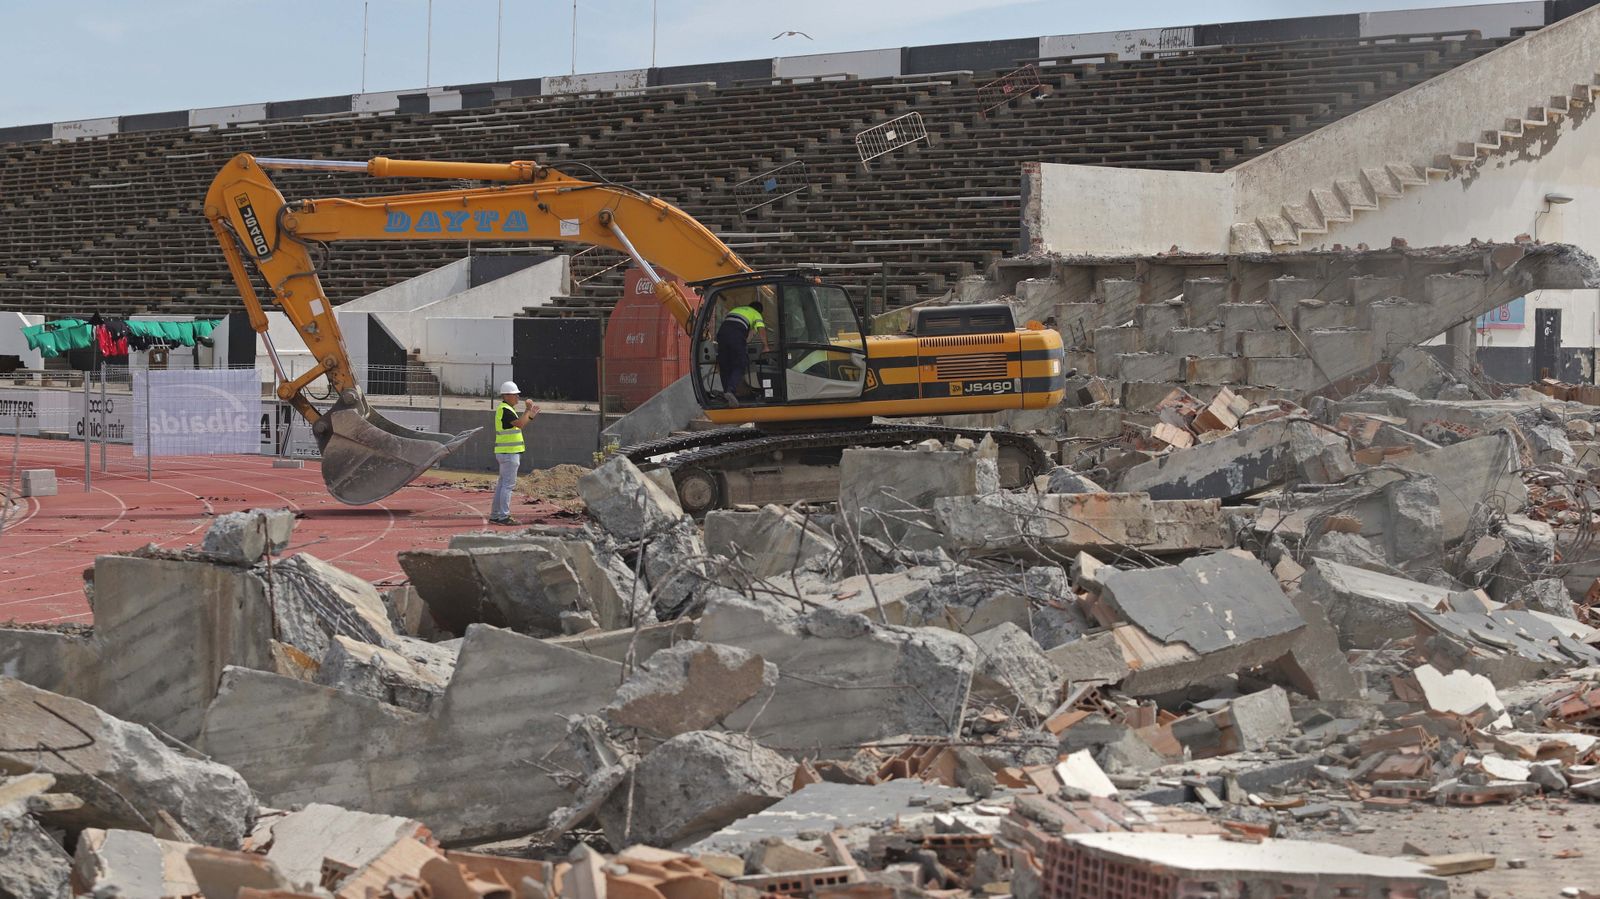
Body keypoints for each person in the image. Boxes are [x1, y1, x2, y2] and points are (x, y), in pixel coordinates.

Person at [490, 380, 538, 526]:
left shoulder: (506, 409)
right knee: (507, 486)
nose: (517, 397)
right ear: (506, 396)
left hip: (506, 453)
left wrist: (530, 415)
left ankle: (496, 515)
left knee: (502, 485)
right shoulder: (505, 410)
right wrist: (528, 410)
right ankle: (503, 516)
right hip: (509, 453)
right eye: (515, 394)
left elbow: (519, 423)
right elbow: (520, 424)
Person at [716, 299, 770, 405]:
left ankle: (727, 393)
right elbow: (761, 330)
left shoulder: (736, 310)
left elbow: (747, 335)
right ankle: (730, 391)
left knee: (725, 365)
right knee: (741, 363)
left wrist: (743, 343)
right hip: (736, 335)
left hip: (722, 334)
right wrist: (766, 346)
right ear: (759, 311)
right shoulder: (756, 314)